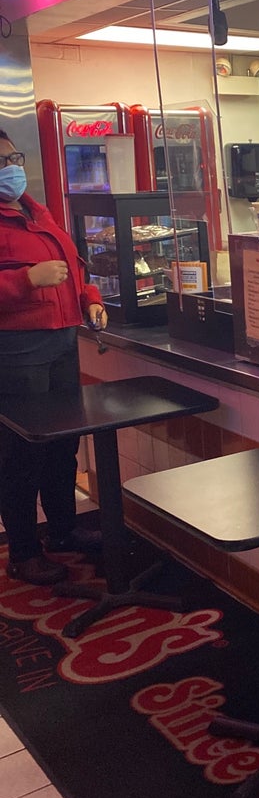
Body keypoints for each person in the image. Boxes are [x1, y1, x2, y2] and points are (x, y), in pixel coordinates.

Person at [0, 130, 107, 584]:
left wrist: (90, 299)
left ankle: (64, 531)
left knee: (64, 445)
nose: (11, 168)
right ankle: (24, 553)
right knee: (20, 455)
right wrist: (27, 280)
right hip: (17, 351)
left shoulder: (36, 212)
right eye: (1, 162)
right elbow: (38, 276)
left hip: (63, 344)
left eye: (13, 158)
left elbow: (73, 267)